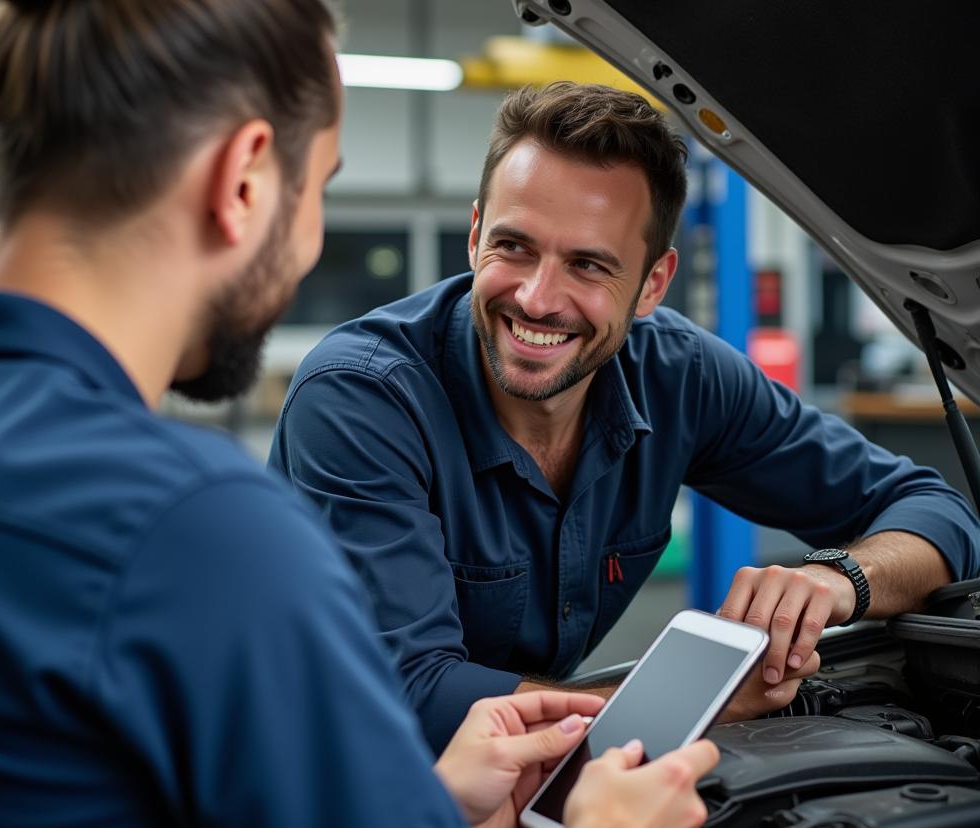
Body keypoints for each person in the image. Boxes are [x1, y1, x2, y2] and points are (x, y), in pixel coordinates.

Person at [0, 0, 721, 828]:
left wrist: (409, 804)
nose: (312, 238)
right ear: (243, 180)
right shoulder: (189, 529)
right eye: (319, 187)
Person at [270, 82, 980, 753]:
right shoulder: (362, 398)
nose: (539, 299)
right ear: (475, 234)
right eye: (514, 246)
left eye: (588, 265)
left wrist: (837, 579)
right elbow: (413, 694)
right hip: (317, 787)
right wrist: (687, 702)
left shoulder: (681, 375)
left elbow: (935, 510)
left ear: (654, 284)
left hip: (520, 771)